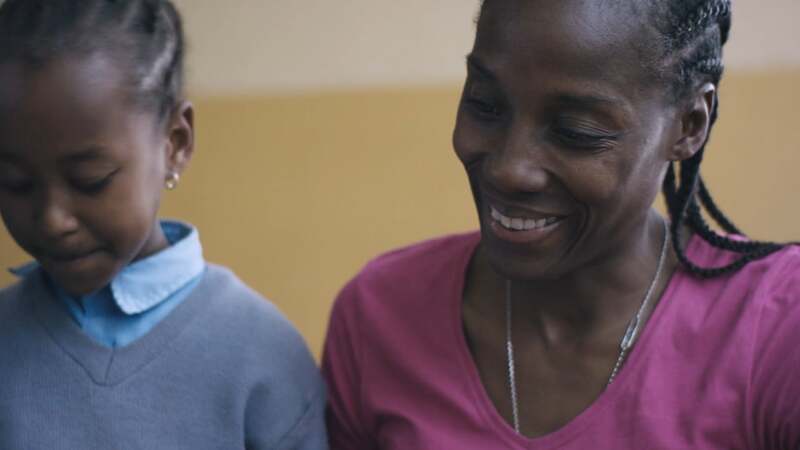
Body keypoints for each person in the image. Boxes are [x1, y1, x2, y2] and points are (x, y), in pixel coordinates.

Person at [322, 0, 800, 448]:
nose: (509, 169)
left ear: (690, 125)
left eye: (576, 132)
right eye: (485, 104)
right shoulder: (380, 317)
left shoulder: (777, 327)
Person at [0, 1, 326, 448]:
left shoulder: (263, 354)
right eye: (15, 183)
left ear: (175, 143)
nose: (53, 220)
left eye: (90, 180)